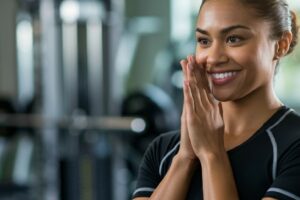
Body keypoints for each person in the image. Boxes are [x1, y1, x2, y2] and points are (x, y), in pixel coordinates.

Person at [132, 0, 300, 199]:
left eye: (233, 39)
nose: (213, 58)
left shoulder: (294, 146)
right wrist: (185, 157)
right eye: (204, 41)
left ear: (281, 45)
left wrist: (212, 154)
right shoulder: (164, 149)